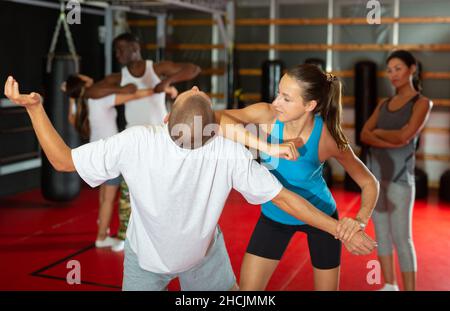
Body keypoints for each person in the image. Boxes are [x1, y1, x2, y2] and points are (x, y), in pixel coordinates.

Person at [4, 77, 376, 291]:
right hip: (200, 258)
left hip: (149, 260)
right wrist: (340, 230)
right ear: (211, 129)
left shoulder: (138, 140)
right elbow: (285, 200)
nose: (195, 85)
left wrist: (35, 108)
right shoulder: (228, 150)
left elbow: (63, 160)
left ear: (166, 118)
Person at [214, 64, 380, 290]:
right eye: (278, 93)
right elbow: (217, 118)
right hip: (275, 216)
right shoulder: (267, 115)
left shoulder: (327, 138)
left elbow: (369, 182)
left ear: (310, 105)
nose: (275, 103)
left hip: (321, 216)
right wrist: (266, 146)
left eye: (286, 98)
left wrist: (358, 222)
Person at [86, 32, 201, 252]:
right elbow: (91, 91)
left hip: (160, 140)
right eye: (116, 50)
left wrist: (166, 81)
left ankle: (167, 236)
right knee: (128, 191)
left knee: (164, 190)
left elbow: (193, 68)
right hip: (133, 142)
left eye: (121, 49)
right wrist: (120, 90)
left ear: (134, 48)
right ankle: (123, 235)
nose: (117, 55)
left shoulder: (156, 69)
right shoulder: (120, 77)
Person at [62, 74, 177, 248]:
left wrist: (71, 96)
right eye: (84, 77)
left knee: (103, 199)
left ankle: (103, 232)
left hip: (96, 154)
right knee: (109, 200)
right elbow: (135, 95)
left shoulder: (80, 104)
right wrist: (163, 89)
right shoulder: (99, 99)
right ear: (85, 82)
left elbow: (71, 118)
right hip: (111, 155)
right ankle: (101, 237)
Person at [361, 50, 433, 291]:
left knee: (402, 238)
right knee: (381, 236)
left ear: (412, 69)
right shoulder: (383, 104)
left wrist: (377, 134)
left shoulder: (422, 103)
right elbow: (363, 134)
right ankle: (390, 285)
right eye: (389, 69)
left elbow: (405, 136)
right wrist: (385, 137)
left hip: (401, 180)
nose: (393, 74)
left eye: (398, 68)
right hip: (375, 179)